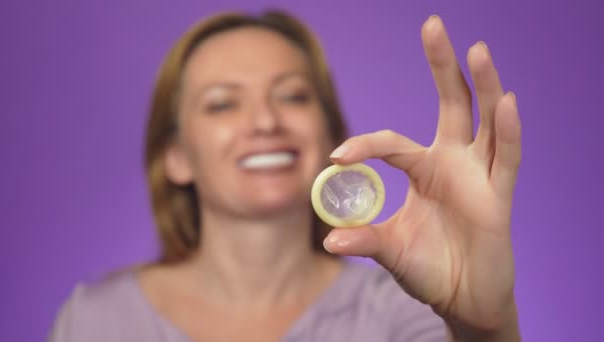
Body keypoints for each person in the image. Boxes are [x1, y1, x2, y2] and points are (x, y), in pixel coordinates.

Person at [50, 9, 522, 342]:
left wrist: (485, 328)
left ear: (329, 134)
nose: (265, 121)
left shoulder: (406, 314)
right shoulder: (94, 321)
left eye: (293, 96)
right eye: (222, 103)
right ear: (176, 157)